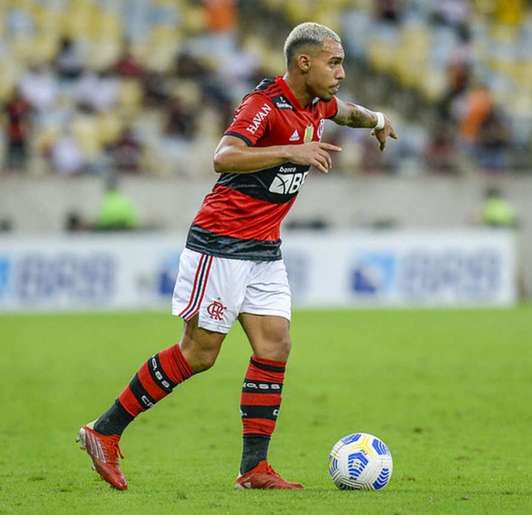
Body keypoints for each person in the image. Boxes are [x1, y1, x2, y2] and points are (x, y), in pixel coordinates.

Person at [77, 22, 398, 491]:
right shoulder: (263, 104)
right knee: (200, 354)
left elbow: (345, 112)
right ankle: (103, 431)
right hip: (221, 243)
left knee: (274, 346)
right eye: (334, 62)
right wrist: (294, 150)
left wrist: (376, 119)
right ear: (303, 62)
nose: (342, 72)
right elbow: (224, 156)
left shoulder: (319, 103)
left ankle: (254, 469)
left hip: (264, 248)